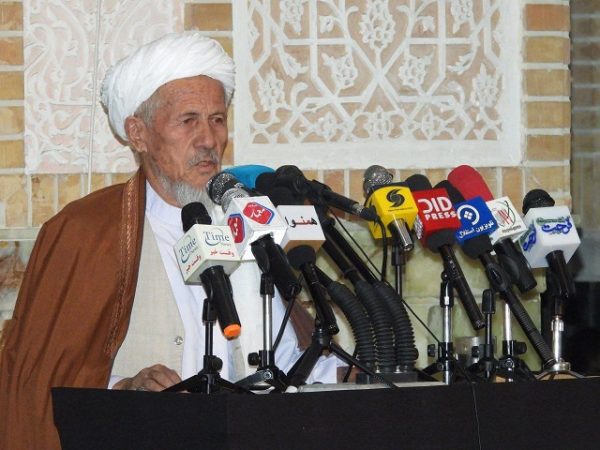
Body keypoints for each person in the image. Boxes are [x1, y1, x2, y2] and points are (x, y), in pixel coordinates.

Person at [0, 31, 336, 449]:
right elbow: (39, 380)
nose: (209, 140)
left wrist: (347, 375)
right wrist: (124, 388)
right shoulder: (86, 230)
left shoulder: (249, 220)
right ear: (137, 134)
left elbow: (290, 358)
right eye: (188, 120)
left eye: (217, 119)